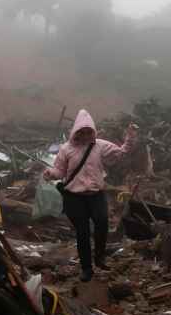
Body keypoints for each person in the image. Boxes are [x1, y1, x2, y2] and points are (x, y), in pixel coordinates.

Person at [44, 109, 137, 282]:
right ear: (76, 131)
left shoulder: (100, 145)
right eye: (82, 131)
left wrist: (130, 137)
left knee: (102, 222)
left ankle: (99, 257)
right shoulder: (66, 149)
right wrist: (51, 173)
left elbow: (121, 153)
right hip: (74, 197)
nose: (86, 134)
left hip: (95, 194)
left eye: (89, 131)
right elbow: (60, 170)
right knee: (83, 232)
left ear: (93, 131)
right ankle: (87, 269)